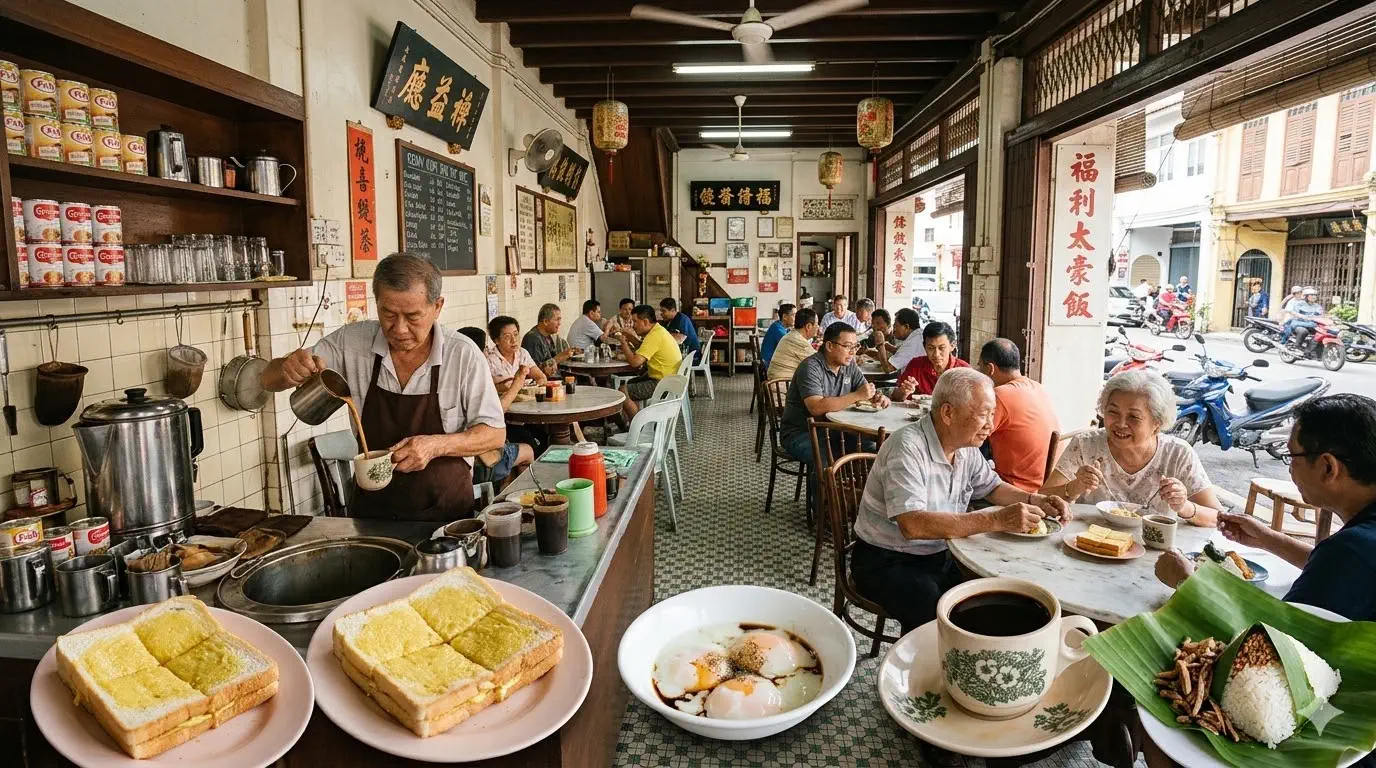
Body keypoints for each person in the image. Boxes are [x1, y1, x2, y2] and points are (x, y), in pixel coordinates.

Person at [260, 253, 504, 521]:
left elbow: (493, 434)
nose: (399, 329)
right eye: (388, 313)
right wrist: (286, 368)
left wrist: (434, 446)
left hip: (445, 515)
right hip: (372, 511)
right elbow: (267, 380)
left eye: (413, 316)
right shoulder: (351, 342)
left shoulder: (462, 355)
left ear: (437, 307)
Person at [852, 367, 1071, 635]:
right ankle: (919, 672)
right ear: (948, 413)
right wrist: (995, 520)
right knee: (934, 612)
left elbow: (992, 487)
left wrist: (1036, 500)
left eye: (992, 414)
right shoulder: (907, 447)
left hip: (941, 553)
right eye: (983, 415)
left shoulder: (965, 448)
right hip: (886, 559)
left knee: (994, 595)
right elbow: (912, 525)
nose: (991, 425)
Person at [1154, 394, 1376, 621]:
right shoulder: (1355, 549)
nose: (1290, 469)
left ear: (1328, 467)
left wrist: (1188, 582)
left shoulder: (1352, 550)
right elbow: (1335, 570)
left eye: (1292, 456)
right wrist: (1266, 538)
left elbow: (1273, 641)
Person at [1041, 370, 1220, 526]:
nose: (1120, 424)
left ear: (1157, 424)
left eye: (1134, 417)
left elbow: (1218, 517)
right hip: (1087, 545)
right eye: (1113, 412)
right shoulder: (1085, 445)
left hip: (1154, 554)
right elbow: (1042, 499)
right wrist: (1075, 487)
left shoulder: (1177, 453)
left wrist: (1184, 506)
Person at [777, 322, 889, 503]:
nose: (852, 352)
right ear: (829, 346)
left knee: (876, 451)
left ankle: (857, 506)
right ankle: (823, 511)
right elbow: (816, 407)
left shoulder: (849, 365)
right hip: (800, 433)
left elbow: (865, 391)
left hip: (836, 430)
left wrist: (878, 397)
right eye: (847, 346)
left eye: (855, 346)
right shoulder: (811, 367)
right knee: (825, 458)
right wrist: (857, 395)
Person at [457, 327, 535, 487]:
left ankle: (503, 490)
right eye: (485, 348)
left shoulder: (454, 372)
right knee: (528, 450)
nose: (487, 352)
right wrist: (518, 383)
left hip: (460, 457)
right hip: (476, 461)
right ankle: (521, 495)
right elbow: (495, 415)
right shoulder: (474, 372)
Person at [979, 339, 1059, 492]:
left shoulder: (999, 395)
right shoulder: (1038, 387)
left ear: (990, 369)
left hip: (1016, 487)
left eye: (980, 367)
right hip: (1046, 483)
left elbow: (969, 436)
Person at [618, 304, 682, 419]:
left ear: (646, 322)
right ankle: (632, 421)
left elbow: (635, 362)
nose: (633, 326)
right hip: (669, 378)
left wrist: (623, 343)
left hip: (663, 382)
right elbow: (643, 348)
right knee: (630, 384)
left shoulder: (654, 335)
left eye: (635, 322)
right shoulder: (657, 330)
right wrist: (631, 337)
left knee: (622, 392)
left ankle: (638, 428)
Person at [895, 321, 969, 399]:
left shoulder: (964, 371)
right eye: (930, 348)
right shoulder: (916, 365)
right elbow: (896, 396)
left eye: (941, 348)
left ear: (952, 346)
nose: (936, 354)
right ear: (924, 346)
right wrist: (904, 392)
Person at [484, 316, 548, 387]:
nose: (514, 340)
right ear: (497, 340)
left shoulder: (522, 353)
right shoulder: (489, 360)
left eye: (515, 334)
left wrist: (537, 385)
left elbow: (541, 377)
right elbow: (490, 388)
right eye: (507, 336)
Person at [523, 303, 580, 375]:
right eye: (557, 320)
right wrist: (557, 359)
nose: (559, 323)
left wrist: (568, 354)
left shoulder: (547, 336)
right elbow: (534, 371)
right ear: (545, 321)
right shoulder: (532, 339)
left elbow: (553, 359)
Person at [767, 308, 820, 383]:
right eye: (817, 324)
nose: (818, 327)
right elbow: (819, 362)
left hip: (780, 384)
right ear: (808, 326)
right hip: (782, 389)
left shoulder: (793, 335)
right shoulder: (797, 340)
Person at [883, 307, 927, 373]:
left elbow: (888, 368)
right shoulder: (919, 335)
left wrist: (880, 345)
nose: (894, 330)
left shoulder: (913, 343)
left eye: (896, 326)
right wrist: (890, 347)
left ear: (906, 326)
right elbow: (904, 353)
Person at [659, 298, 701, 364]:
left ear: (672, 310)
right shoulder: (668, 321)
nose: (661, 314)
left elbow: (680, 339)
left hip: (691, 355)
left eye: (663, 311)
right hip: (681, 352)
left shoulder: (682, 319)